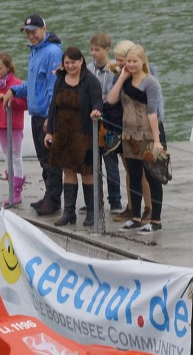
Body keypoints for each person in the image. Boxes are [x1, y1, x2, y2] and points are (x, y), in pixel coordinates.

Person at [108, 44, 167, 232]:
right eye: (129, 62)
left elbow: (152, 113)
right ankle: (135, 216)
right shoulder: (125, 80)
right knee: (133, 176)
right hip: (129, 135)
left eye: (135, 61)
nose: (132, 65)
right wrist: (122, 77)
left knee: (152, 177)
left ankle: (155, 220)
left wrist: (157, 141)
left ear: (143, 62)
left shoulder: (151, 83)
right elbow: (111, 100)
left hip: (148, 134)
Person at [10, 14, 63, 216]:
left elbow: (53, 88)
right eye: (28, 33)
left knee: (51, 159)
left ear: (43, 29)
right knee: (43, 158)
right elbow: (33, 85)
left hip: (46, 116)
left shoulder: (51, 53)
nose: (30, 36)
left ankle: (54, 200)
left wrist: (51, 117)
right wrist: (14, 90)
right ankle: (49, 195)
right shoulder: (35, 52)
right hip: (36, 114)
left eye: (33, 32)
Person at [44, 47, 103, 227]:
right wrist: (49, 131)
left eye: (73, 62)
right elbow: (53, 106)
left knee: (86, 172)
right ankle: (69, 212)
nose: (70, 66)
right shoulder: (60, 79)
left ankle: (92, 212)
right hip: (62, 133)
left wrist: (96, 111)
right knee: (67, 171)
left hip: (83, 133)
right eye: (67, 63)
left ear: (81, 61)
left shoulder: (90, 81)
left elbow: (97, 101)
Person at [0, 52, 28, 208]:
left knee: (15, 155)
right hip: (0, 123)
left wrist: (10, 100)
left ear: (8, 68)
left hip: (14, 124)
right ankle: (11, 187)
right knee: (6, 155)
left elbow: (25, 104)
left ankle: (16, 191)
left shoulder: (16, 83)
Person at [88, 33, 122, 212]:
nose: (93, 53)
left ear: (107, 50)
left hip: (109, 121)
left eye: (97, 50)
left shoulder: (114, 70)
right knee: (93, 164)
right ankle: (95, 200)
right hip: (92, 121)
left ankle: (115, 200)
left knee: (111, 163)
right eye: (92, 50)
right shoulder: (88, 69)